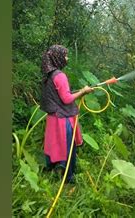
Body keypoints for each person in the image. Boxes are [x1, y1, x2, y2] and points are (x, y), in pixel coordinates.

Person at [40, 44, 94, 183]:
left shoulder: (48, 74)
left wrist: (79, 91)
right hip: (62, 120)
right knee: (68, 149)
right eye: (65, 55)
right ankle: (68, 179)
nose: (67, 58)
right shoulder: (60, 76)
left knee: (53, 145)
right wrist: (83, 92)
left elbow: (57, 96)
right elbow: (66, 98)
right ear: (57, 57)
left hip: (52, 117)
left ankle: (51, 170)